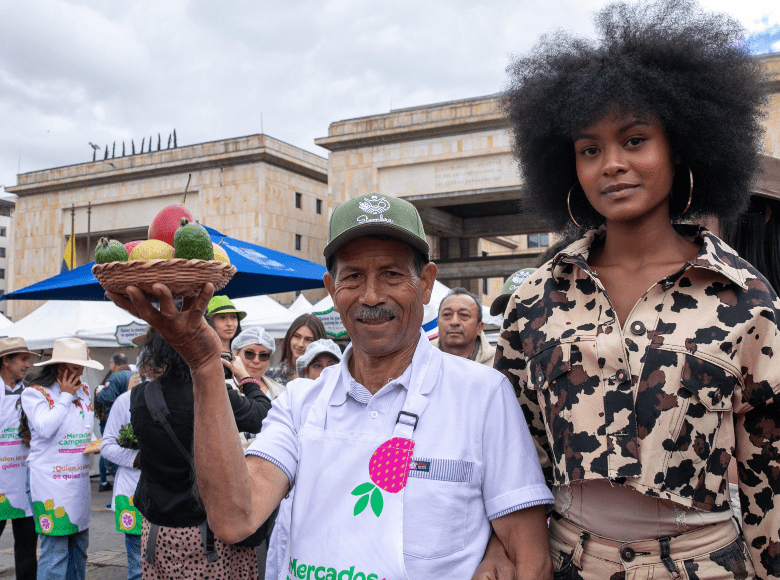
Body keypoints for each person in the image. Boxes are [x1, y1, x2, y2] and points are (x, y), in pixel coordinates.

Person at [107, 194, 555, 580]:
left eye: (393, 275)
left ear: (427, 285)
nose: (372, 296)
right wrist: (205, 364)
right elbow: (233, 519)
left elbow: (530, 559)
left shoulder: (483, 395)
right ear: (331, 288)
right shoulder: (302, 402)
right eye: (353, 276)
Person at [494, 1, 775, 577]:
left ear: (681, 149)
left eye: (635, 140)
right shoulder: (535, 300)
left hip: (707, 563)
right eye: (589, 149)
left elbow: (770, 471)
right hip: (567, 560)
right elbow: (510, 453)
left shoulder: (746, 298)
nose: (611, 165)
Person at [127, 328, 272, 579]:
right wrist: (246, 378)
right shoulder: (211, 394)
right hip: (210, 535)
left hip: (158, 530)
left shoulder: (140, 395)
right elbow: (262, 415)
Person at [21, 338, 103, 580]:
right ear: (59, 367)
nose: (79, 374)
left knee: (79, 547)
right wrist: (65, 396)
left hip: (77, 480)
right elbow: (45, 428)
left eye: (81, 369)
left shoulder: (85, 391)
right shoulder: (34, 393)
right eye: (74, 368)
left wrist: (94, 441)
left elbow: (85, 427)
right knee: (55, 551)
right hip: (50, 483)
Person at [265, 338, 343, 580]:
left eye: (332, 366)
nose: (325, 372)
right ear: (305, 372)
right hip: (293, 516)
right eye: (317, 366)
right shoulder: (288, 410)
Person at [0, 337, 38, 580]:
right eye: (23, 359)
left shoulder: (33, 393)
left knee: (26, 547)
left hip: (25, 484)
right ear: (6, 360)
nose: (27, 365)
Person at [100, 380, 142, 580]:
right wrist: (137, 459)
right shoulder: (125, 401)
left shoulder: (184, 395)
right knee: (139, 569)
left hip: (173, 497)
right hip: (134, 492)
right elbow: (107, 445)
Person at [95, 352, 133, 492]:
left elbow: (108, 397)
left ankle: (112, 481)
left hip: (114, 421)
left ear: (113, 363)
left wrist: (99, 393)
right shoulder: (133, 375)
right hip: (130, 420)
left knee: (108, 451)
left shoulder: (114, 376)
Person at [431, 287, 495, 365]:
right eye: (447, 314)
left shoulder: (498, 364)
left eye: (464, 315)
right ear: (438, 323)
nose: (454, 322)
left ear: (479, 327)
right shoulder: (420, 357)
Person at [265, 314, 326, 385]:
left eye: (308, 340)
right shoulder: (271, 375)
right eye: (297, 336)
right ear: (289, 337)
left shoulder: (325, 376)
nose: (300, 344)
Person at [227, 327, 285, 400]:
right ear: (236, 353)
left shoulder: (282, 391)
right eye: (249, 353)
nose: (256, 360)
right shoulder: (225, 388)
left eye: (263, 355)